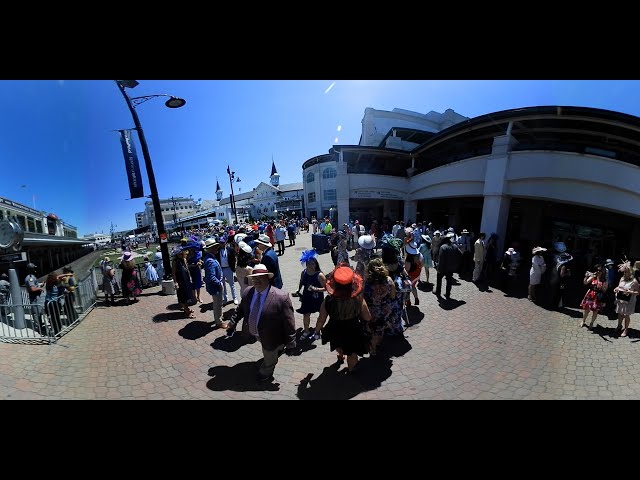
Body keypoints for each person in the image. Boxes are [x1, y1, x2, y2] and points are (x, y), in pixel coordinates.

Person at [224, 264, 296, 383]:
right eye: (254, 277)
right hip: (256, 333)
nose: (257, 280)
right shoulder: (248, 292)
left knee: (269, 356)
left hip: (272, 337)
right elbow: (240, 309)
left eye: (261, 277)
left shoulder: (281, 297)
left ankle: (265, 372)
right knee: (267, 348)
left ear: (268, 278)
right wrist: (233, 322)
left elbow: (289, 322)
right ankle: (277, 349)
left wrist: (291, 343)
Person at [313, 264, 372, 373]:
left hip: (335, 328)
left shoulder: (328, 301)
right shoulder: (358, 299)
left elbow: (321, 319)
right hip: (353, 329)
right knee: (352, 352)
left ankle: (340, 355)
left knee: (338, 344)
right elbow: (367, 317)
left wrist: (317, 331)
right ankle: (352, 369)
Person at [363, 258, 396, 356]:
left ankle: (373, 349)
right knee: (380, 328)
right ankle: (377, 344)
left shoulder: (367, 283)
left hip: (371, 311)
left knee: (373, 330)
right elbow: (393, 295)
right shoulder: (388, 280)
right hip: (385, 310)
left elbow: (363, 298)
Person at [293, 249, 326, 341]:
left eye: (312, 263)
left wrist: (316, 289)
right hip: (307, 297)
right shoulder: (303, 273)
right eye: (308, 264)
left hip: (317, 298)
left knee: (321, 314)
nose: (311, 266)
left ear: (316, 264)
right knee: (306, 314)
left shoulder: (320, 275)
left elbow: (326, 288)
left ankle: (318, 330)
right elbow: (301, 282)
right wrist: (298, 290)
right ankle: (306, 331)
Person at [202, 238, 225, 327]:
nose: (217, 248)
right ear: (211, 248)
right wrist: (219, 284)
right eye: (215, 247)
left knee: (217, 303)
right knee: (218, 304)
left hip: (215, 285)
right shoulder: (210, 260)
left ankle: (218, 318)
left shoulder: (209, 258)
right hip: (216, 287)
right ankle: (218, 322)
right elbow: (211, 277)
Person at [613, 261, 639, 337]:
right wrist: (616, 289)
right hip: (621, 299)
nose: (624, 274)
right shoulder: (622, 278)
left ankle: (626, 329)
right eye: (624, 272)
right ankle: (619, 325)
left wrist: (630, 292)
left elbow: (638, 292)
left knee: (626, 315)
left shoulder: (634, 281)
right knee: (620, 313)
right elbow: (619, 286)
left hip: (629, 301)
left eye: (626, 272)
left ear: (630, 273)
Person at [579, 263, 608, 329]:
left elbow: (605, 290)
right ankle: (583, 321)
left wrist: (601, 287)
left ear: (603, 271)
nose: (598, 272)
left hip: (598, 296)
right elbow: (585, 282)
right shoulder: (592, 276)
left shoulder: (604, 280)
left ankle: (591, 323)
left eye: (600, 271)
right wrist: (586, 276)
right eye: (597, 270)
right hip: (590, 294)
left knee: (595, 311)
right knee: (586, 309)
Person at [172, 246, 196, 319]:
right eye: (179, 254)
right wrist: (175, 282)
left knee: (188, 295)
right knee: (183, 297)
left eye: (181, 253)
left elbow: (187, 269)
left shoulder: (184, 259)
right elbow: (173, 273)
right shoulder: (175, 262)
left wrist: (190, 277)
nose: (181, 254)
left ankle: (187, 309)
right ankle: (187, 312)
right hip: (180, 281)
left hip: (186, 280)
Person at [435, 232, 460, 300]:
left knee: (439, 279)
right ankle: (447, 294)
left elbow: (441, 260)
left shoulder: (443, 247)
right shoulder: (455, 247)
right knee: (449, 281)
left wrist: (439, 269)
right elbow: (459, 256)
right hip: (451, 267)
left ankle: (438, 291)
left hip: (443, 267)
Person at [24, 263, 44, 329]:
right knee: (36, 312)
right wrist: (40, 288)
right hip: (34, 297)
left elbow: (34, 286)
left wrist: (40, 285)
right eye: (34, 268)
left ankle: (40, 325)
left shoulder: (32, 276)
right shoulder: (30, 278)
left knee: (39, 311)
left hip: (35, 296)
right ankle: (38, 327)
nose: (35, 269)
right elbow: (32, 289)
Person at [404, 242, 422, 306]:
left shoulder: (408, 258)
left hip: (411, 275)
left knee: (407, 289)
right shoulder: (419, 254)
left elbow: (407, 269)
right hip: (417, 274)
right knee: (413, 287)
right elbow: (421, 264)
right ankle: (416, 299)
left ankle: (408, 302)